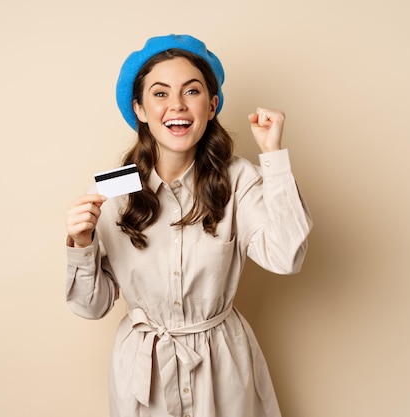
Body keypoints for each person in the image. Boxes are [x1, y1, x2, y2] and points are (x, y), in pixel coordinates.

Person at [65, 34, 312, 417]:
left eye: (191, 91)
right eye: (160, 94)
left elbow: (286, 257)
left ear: (211, 106)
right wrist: (80, 243)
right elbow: (90, 307)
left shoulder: (238, 179)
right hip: (142, 377)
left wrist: (274, 156)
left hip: (223, 369)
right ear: (140, 109)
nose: (177, 105)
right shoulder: (112, 191)